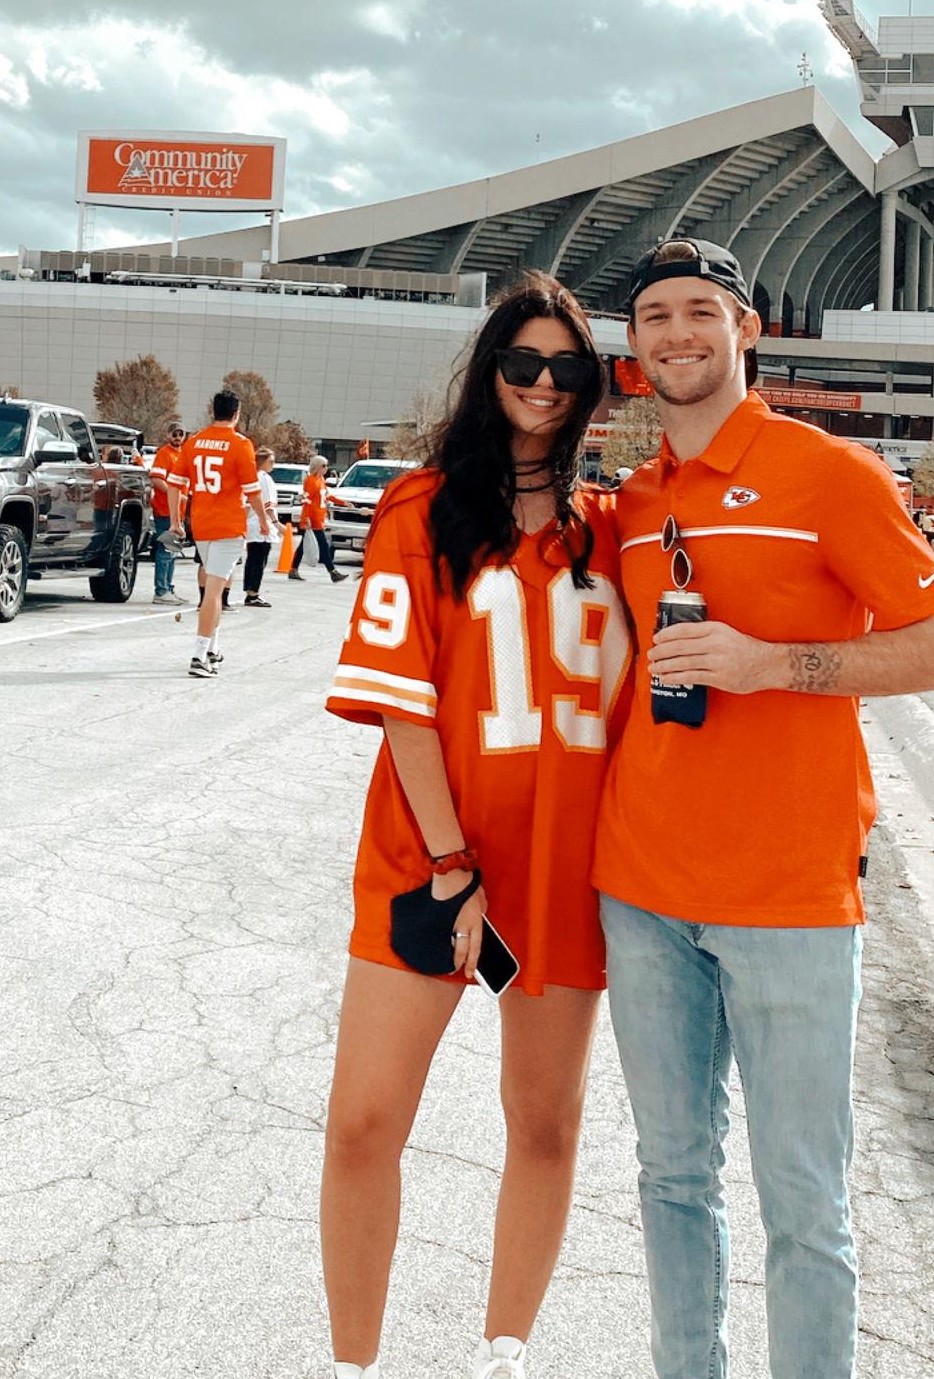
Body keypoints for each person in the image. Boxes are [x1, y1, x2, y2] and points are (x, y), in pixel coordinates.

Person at [593, 237, 934, 1379]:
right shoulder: (634, 499)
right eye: (655, 316)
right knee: (671, 1176)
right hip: (641, 889)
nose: (677, 334)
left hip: (790, 897)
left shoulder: (828, 474)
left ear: (746, 329)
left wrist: (773, 666)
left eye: (699, 311)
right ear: (633, 346)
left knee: (803, 1200)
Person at [320, 271, 633, 1379]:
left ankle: (504, 1355)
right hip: (432, 859)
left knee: (543, 1125)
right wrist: (454, 862)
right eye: (521, 361)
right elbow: (404, 706)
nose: (542, 383)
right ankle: (353, 1364)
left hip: (564, 865)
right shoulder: (418, 508)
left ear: (589, 383)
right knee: (364, 1121)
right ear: (488, 369)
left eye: (565, 366)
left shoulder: (617, 528)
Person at [171, 392, 271, 678]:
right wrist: (263, 519)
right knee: (215, 592)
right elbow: (252, 490)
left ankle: (213, 648)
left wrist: (176, 521)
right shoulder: (240, 444)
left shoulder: (194, 441)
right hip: (228, 525)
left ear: (212, 411)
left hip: (201, 524)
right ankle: (199, 654)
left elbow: (175, 483)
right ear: (236, 414)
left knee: (215, 586)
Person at [290, 454, 347, 582]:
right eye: (323, 466)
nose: (326, 468)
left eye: (326, 465)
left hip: (319, 518)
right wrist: (306, 518)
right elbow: (306, 500)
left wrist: (343, 503)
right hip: (312, 519)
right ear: (317, 467)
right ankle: (333, 572)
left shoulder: (321, 480)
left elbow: (327, 496)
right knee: (323, 546)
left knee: (304, 545)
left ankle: (293, 569)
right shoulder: (310, 481)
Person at [149, 421, 186, 606]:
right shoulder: (164, 453)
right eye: (174, 434)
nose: (177, 437)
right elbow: (156, 479)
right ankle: (161, 591)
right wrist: (175, 496)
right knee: (165, 551)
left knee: (173, 552)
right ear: (168, 435)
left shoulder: (181, 454)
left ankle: (168, 588)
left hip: (177, 513)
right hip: (165, 511)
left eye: (180, 434)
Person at [242, 447, 280, 606]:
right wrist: (276, 524)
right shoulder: (264, 478)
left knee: (252, 559)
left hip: (251, 523)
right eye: (271, 461)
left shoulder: (251, 476)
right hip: (261, 524)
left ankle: (249, 591)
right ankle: (253, 593)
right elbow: (268, 505)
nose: (272, 464)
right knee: (259, 560)